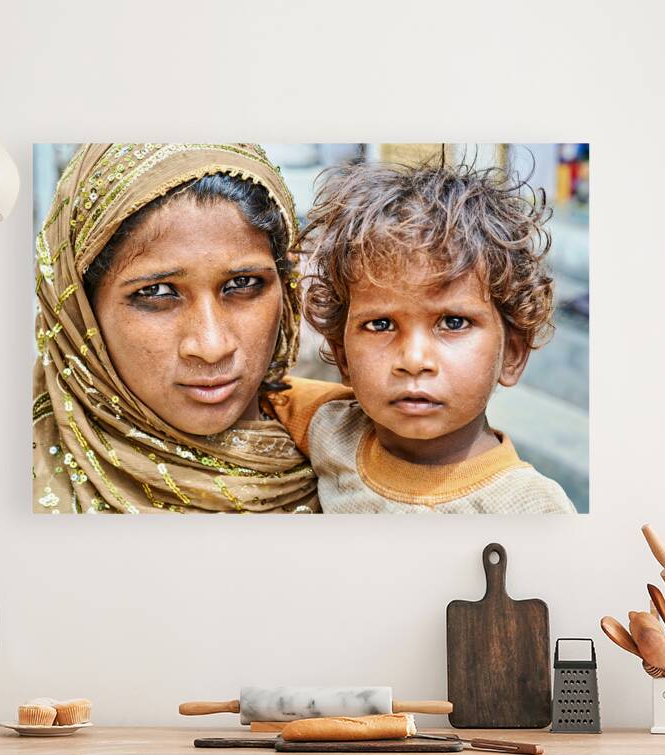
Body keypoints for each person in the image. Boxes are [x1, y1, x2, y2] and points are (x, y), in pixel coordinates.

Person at [273, 160, 576, 514]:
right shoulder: (329, 428)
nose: (413, 360)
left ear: (511, 354)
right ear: (343, 357)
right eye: (381, 325)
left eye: (453, 322)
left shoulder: (534, 508)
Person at [32, 143, 317, 514]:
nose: (212, 346)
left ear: (285, 284)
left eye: (243, 284)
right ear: (81, 311)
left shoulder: (362, 452)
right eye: (156, 292)